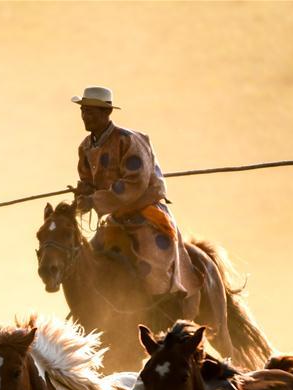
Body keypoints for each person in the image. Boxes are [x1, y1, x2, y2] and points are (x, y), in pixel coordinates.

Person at [71, 86, 200, 314]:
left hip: (145, 211)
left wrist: (96, 200)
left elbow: (134, 183)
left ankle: (168, 309)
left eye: (91, 112)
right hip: (116, 217)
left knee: (154, 260)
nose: (85, 116)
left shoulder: (129, 141)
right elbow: (89, 182)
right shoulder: (85, 147)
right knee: (90, 257)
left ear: (106, 113)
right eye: (83, 111)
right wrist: (84, 194)